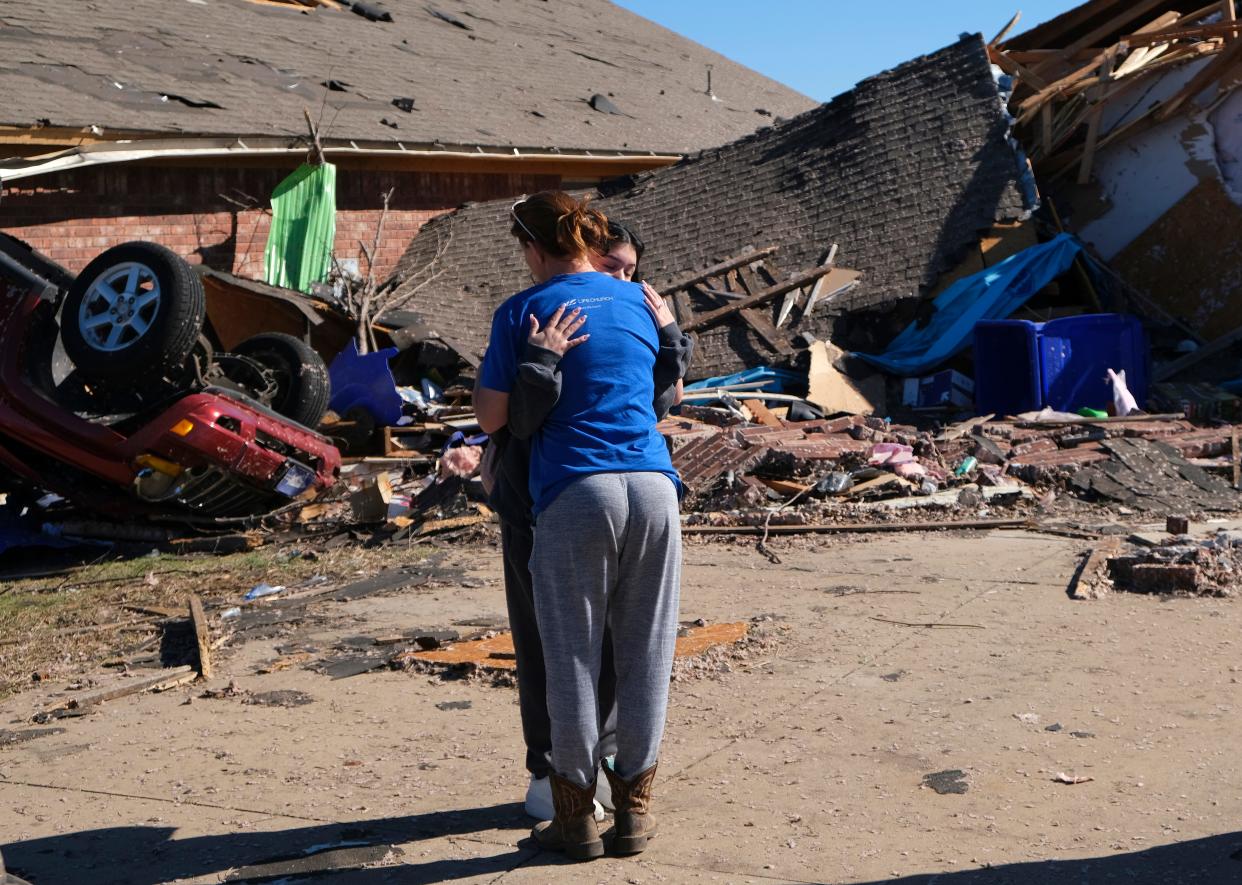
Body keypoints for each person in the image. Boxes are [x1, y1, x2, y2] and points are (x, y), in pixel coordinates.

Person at [476, 192, 687, 861]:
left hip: (577, 491)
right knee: (647, 652)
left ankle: (575, 815)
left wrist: (538, 360)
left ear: (533, 248)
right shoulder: (638, 300)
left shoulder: (524, 309)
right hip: (655, 487)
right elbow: (663, 392)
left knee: (569, 654)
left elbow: (489, 418)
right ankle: (635, 813)